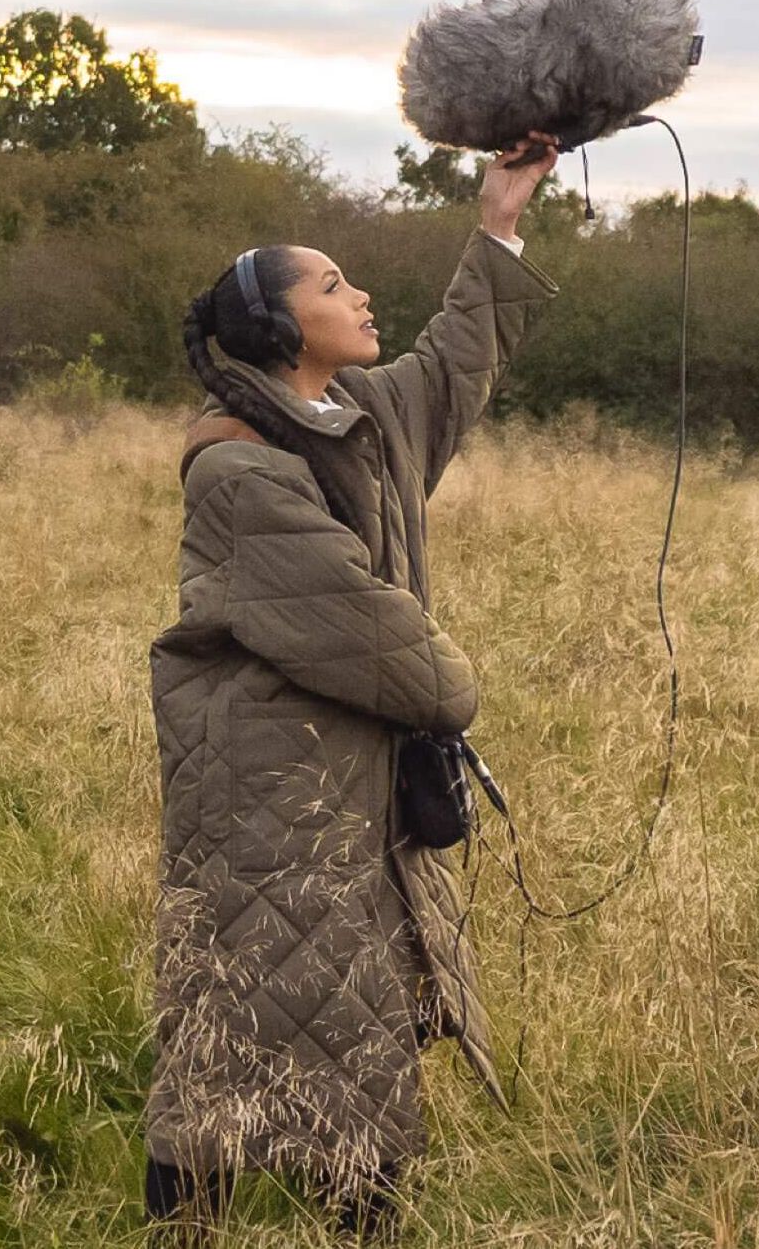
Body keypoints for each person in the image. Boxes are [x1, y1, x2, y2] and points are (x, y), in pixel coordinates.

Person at [144, 133, 563, 1241]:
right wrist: (452, 687)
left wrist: (499, 220)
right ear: (279, 327)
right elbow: (372, 636)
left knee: (354, 1014)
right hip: (265, 802)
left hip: (338, 789)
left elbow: (450, 365)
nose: (358, 291)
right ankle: (191, 1223)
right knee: (241, 1021)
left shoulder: (353, 419)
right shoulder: (240, 469)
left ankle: (354, 1219)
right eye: (331, 283)